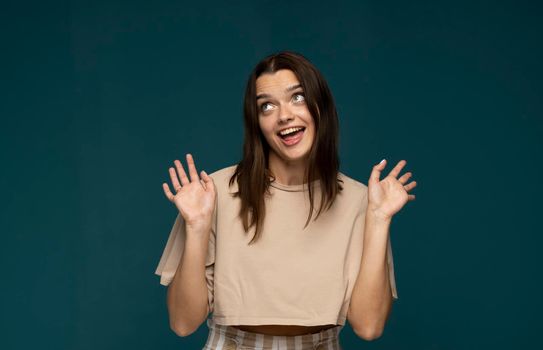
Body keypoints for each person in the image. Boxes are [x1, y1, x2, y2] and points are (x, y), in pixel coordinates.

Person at [155, 51, 417, 350]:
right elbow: (182, 323)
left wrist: (380, 219)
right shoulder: (211, 193)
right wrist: (197, 226)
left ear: (322, 107)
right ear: (257, 122)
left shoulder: (361, 200)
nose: (284, 116)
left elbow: (369, 327)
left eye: (298, 98)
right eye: (266, 106)